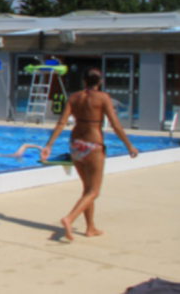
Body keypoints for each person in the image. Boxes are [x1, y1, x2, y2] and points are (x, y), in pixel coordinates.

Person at [40, 67, 139, 241]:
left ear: (84, 81)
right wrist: (129, 146)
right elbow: (115, 125)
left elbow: (61, 122)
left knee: (87, 190)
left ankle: (90, 227)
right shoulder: (103, 98)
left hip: (76, 144)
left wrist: (48, 145)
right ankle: (69, 218)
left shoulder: (74, 97)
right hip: (93, 145)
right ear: (99, 82)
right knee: (93, 192)